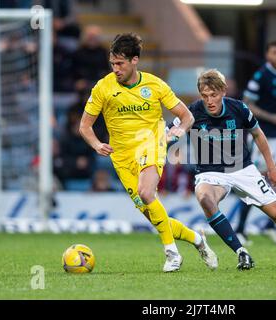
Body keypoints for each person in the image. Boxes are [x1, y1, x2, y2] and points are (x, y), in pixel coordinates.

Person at [79, 33, 217, 272]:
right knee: (152, 214)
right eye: (112, 63)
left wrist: (177, 132)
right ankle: (197, 239)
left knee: (146, 192)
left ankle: (171, 253)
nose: (115, 69)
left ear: (135, 60)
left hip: (150, 144)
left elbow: (187, 116)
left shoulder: (155, 85)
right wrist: (96, 144)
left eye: (120, 63)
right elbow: (84, 126)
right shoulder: (103, 87)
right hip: (121, 157)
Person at [177, 69, 276, 271]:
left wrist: (271, 166)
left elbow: (258, 135)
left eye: (214, 95)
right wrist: (166, 137)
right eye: (205, 96)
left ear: (224, 91)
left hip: (242, 168)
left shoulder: (239, 108)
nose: (209, 101)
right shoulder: (193, 112)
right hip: (210, 171)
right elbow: (174, 128)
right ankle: (241, 252)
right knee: (205, 199)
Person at [235, 39, 276, 246]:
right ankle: (241, 229)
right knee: (255, 183)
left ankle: (271, 226)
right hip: (262, 136)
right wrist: (273, 118)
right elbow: (247, 104)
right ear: (268, 55)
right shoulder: (260, 76)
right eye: (275, 52)